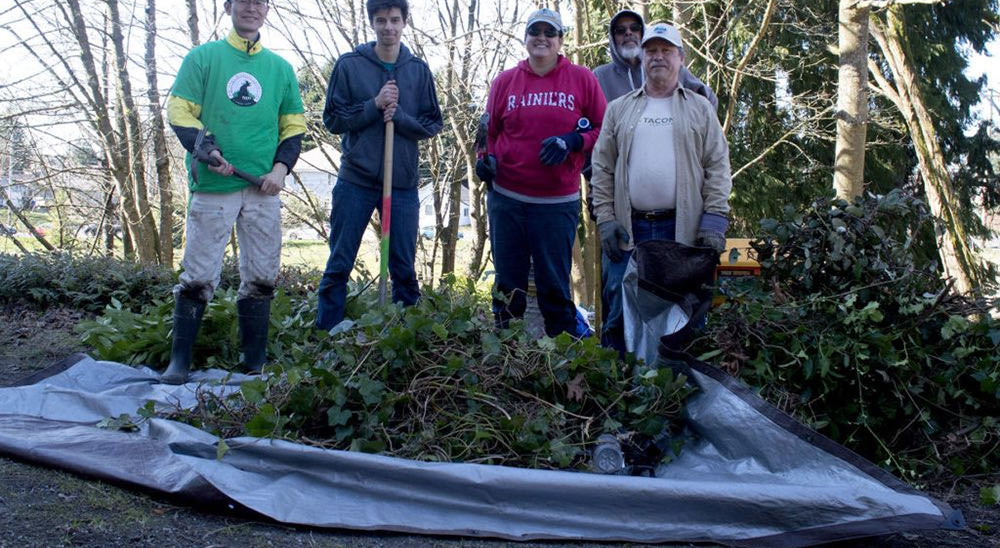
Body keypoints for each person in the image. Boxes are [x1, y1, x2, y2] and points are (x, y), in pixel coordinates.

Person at [162, 0, 306, 384]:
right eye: (244, 0)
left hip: (262, 190)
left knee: (262, 277)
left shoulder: (280, 69)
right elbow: (179, 112)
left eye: (260, 2)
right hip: (213, 187)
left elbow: (293, 125)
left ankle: (253, 363)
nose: (252, 8)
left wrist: (280, 169)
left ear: (268, 9)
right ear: (229, 7)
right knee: (198, 276)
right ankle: (179, 363)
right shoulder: (203, 58)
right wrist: (206, 148)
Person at [590, 22, 732, 355]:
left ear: (680, 58)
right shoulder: (619, 109)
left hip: (682, 229)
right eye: (651, 51)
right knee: (619, 312)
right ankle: (618, 390)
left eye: (666, 51)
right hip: (629, 229)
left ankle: (677, 393)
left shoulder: (699, 108)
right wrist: (607, 219)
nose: (658, 58)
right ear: (641, 58)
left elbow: (718, 166)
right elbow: (602, 167)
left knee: (685, 315)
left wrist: (714, 220)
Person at [477, 8, 607, 337]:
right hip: (507, 201)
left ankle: (563, 366)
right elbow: (488, 133)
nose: (542, 38)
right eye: (536, 32)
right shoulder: (505, 82)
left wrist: (573, 140)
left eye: (550, 33)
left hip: (555, 204)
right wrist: (485, 160)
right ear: (525, 39)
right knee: (508, 287)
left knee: (554, 288)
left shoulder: (582, 79)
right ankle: (506, 356)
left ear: (560, 40)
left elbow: (604, 129)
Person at [315, 0, 444, 331]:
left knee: (403, 265)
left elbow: (432, 123)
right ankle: (326, 334)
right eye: (382, 20)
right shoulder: (350, 66)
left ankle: (404, 336)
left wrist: (399, 117)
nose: (389, 27)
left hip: (401, 182)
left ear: (405, 23)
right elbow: (333, 119)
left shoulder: (417, 70)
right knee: (339, 261)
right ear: (372, 23)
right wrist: (374, 105)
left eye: (395, 20)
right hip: (356, 179)